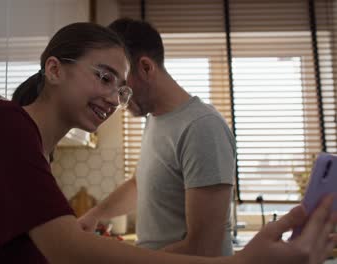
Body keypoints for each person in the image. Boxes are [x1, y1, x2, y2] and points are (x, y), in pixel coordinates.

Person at [0, 22, 336, 264]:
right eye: (104, 78)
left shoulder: (24, 139)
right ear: (53, 69)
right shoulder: (9, 129)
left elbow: (204, 247)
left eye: (121, 89)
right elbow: (70, 248)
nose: (115, 99)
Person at [79, 18, 235, 256]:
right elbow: (140, 184)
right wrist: (94, 215)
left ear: (146, 68)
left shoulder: (202, 128)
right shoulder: (155, 120)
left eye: (120, 84)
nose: (113, 97)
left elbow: (204, 248)